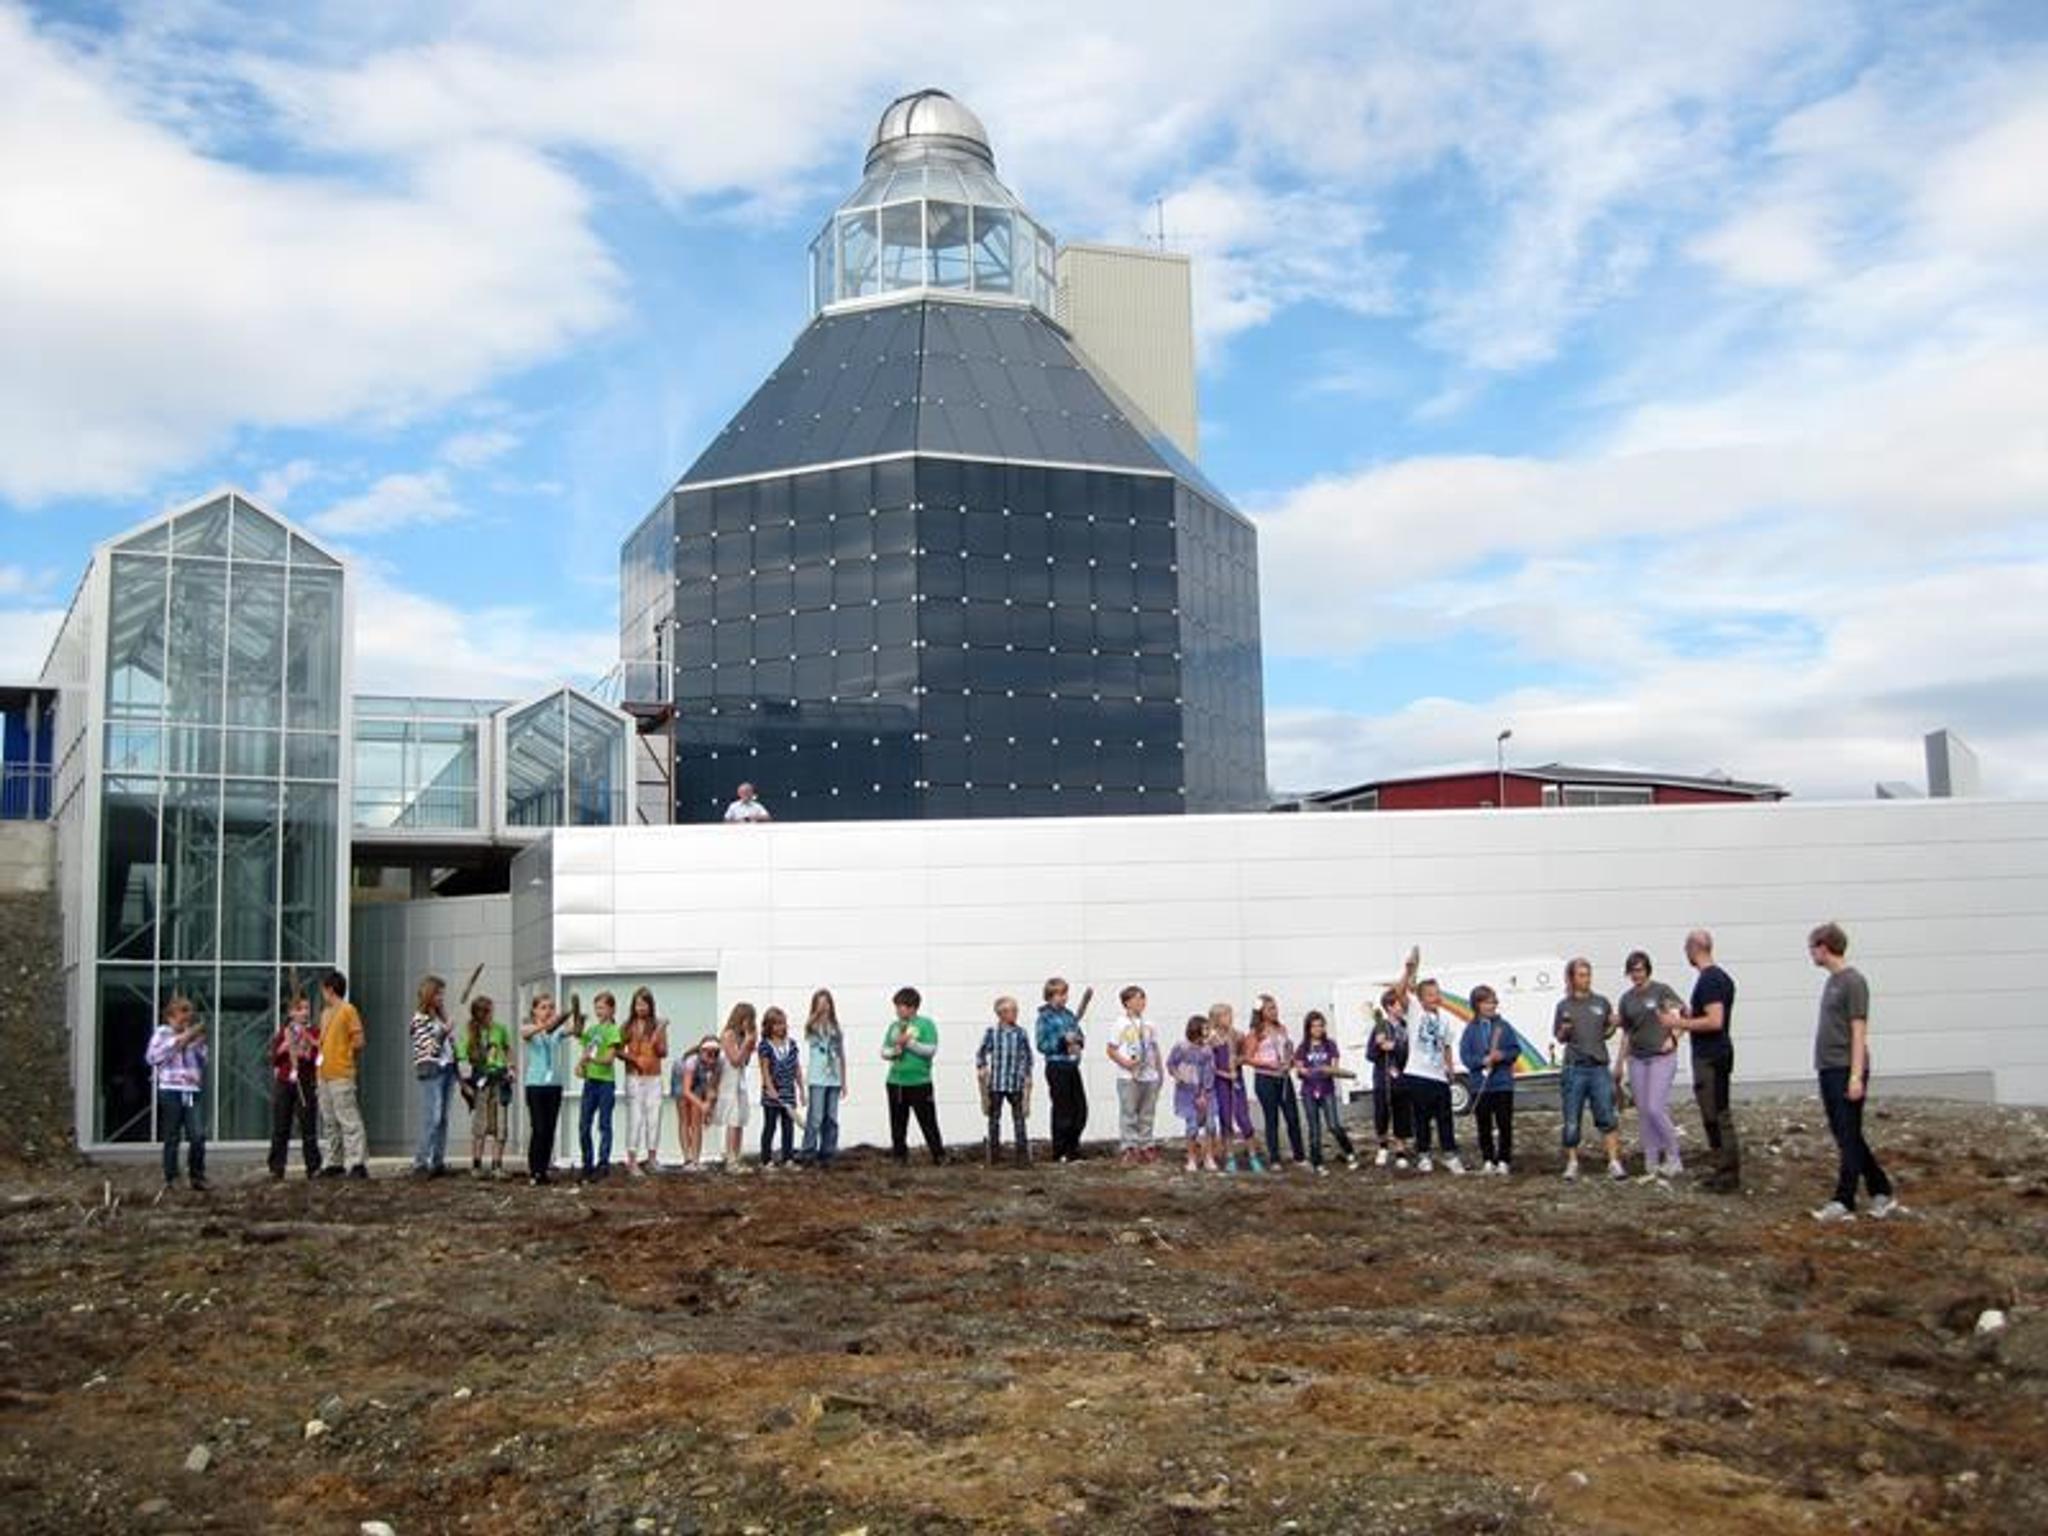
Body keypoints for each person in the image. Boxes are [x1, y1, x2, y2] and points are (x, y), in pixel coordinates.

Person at [1808, 922, 1900, 1222]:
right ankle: (1880, 1188)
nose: (1811, 953)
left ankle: (1844, 1199)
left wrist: (1856, 1075)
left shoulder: (1853, 981)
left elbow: (1858, 1030)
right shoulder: (1832, 981)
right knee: (1846, 1134)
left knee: (1848, 1134)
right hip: (1828, 1067)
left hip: (1846, 1067)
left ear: (1824, 946)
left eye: (1813, 947)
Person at [1668, 930, 1741, 1193]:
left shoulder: (1710, 980)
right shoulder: (1722, 978)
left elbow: (1714, 1020)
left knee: (1716, 1114)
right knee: (1715, 1113)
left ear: (1692, 949)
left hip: (1711, 1055)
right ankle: (1721, 1167)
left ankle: (1727, 1173)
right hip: (1716, 1053)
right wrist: (1691, 1014)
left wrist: (1678, 1023)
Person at [1388, 953, 1465, 1175]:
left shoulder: (1444, 1020)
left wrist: (1450, 1068)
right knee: (1421, 1119)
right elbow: (1399, 992)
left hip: (1439, 1076)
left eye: (1437, 993)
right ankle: (1424, 1155)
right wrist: (1408, 971)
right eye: (1430, 994)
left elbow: (1447, 1046)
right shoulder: (1415, 1011)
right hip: (1418, 1074)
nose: (1435, 997)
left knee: (1445, 1119)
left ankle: (1450, 1154)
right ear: (1421, 998)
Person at [1553, 957, 1626, 1183]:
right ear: (1571, 978)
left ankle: (1614, 1162)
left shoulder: (1601, 1002)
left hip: (1598, 1068)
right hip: (1574, 1067)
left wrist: (1614, 1024)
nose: (1586, 979)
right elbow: (1559, 1037)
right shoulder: (1564, 1006)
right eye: (1581, 975)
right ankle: (1572, 1162)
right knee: (1572, 1117)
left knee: (1607, 1114)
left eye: (1588, 974)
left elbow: (1605, 1034)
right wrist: (1564, 1030)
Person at [1617, 951, 1686, 1180]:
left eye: (1640, 969)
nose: (1637, 974)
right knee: (1644, 1111)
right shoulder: (1627, 999)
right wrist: (1620, 1062)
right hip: (1637, 1057)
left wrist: (1673, 1038)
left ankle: (1674, 1155)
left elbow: (1681, 1015)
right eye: (1633, 970)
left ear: (1647, 969)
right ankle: (1651, 1159)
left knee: (1656, 1107)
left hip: (1661, 1056)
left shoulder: (1661, 991)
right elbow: (1627, 1032)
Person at [1458, 986, 1525, 1177]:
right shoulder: (1470, 1030)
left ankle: (1504, 1160)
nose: (1491, 1005)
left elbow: (1515, 1050)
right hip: (1481, 1084)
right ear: (1477, 1005)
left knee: (1504, 1123)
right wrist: (1482, 1061)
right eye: (1487, 1002)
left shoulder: (1504, 1027)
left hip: (1502, 1083)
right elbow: (1465, 1056)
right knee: (1484, 1124)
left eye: (1493, 1001)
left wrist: (1501, 1055)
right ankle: (1488, 1159)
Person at [146, 994, 208, 1192]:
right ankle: (171, 1176)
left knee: (197, 1134)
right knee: (172, 1135)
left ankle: (197, 1175)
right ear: (171, 1016)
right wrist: (178, 1040)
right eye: (182, 1017)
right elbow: (152, 1057)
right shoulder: (162, 1033)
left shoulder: (194, 1035)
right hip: (171, 1090)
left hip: (189, 1091)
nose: (186, 1022)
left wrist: (197, 1046)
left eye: (188, 1018)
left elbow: (202, 1062)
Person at [882, 986, 945, 1165]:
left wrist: (909, 1043)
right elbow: (884, 1051)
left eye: (900, 1006)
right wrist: (895, 1050)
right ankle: (900, 1156)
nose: (897, 1010)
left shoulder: (925, 1024)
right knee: (898, 1122)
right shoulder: (894, 1027)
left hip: (920, 1082)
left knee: (928, 1121)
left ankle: (938, 1154)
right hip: (896, 1081)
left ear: (911, 1007)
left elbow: (930, 1050)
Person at [316, 971, 369, 1179]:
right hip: (324, 1073)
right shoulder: (325, 1013)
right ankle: (333, 1161)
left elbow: (358, 1040)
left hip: (341, 1072)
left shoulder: (348, 1010)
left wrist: (348, 1057)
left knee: (347, 1117)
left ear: (329, 989)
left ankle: (357, 1161)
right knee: (329, 1120)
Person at [1245, 994, 1306, 1171]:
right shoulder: (1256, 1033)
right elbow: (1248, 1058)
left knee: (1293, 1117)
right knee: (1272, 1119)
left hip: (1283, 1077)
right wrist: (1267, 1063)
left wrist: (1291, 1061)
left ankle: (1299, 1156)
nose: (1275, 1011)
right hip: (1265, 1078)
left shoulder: (1282, 1029)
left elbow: (1287, 1050)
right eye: (1270, 1008)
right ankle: (1274, 1159)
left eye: (1275, 1007)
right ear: (1261, 1012)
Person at [266, 988, 321, 1181]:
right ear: (291, 1012)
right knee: (281, 1125)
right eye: (300, 1009)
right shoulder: (284, 1032)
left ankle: (313, 1166)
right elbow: (273, 1057)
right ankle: (276, 1167)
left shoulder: (313, 1032)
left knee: (308, 1125)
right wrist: (285, 1047)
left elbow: (317, 1057)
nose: (304, 1012)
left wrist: (305, 1051)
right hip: (284, 1081)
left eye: (307, 1008)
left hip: (305, 1081)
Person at [1034, 978, 1089, 1163]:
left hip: (1072, 1065)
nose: (1063, 997)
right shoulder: (1045, 1018)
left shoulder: (1069, 1016)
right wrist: (1061, 1041)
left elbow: (1080, 1035)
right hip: (1057, 1067)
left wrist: (1077, 1042)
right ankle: (1060, 1151)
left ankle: (1074, 1147)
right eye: (1059, 994)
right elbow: (1041, 1045)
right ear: (1050, 996)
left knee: (1080, 1110)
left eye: (1065, 993)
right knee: (1062, 1110)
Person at [1296, 1010, 1357, 1174]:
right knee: (1314, 1129)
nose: (1317, 1029)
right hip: (1309, 1092)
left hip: (1327, 1090)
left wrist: (1327, 1069)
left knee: (1334, 1125)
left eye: (1320, 1026)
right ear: (1308, 1028)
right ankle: (1317, 1162)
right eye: (1314, 1026)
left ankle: (1350, 1152)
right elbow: (1299, 1067)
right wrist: (1304, 1071)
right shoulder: (1303, 1047)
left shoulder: (1330, 1045)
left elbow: (1334, 1067)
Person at [976, 995, 1034, 1167]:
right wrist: (982, 1067)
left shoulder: (1021, 1033)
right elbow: (981, 1052)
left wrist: (1027, 1075)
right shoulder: (992, 1033)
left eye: (1016, 1010)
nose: (1014, 1014)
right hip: (997, 1083)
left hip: (1015, 1083)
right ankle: (994, 1155)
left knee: (1019, 1118)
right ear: (1000, 1014)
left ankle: (1022, 1155)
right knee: (994, 1119)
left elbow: (1027, 1056)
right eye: (1010, 1011)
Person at [1108, 985, 1164, 1164]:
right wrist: (1125, 1063)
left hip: (1149, 1074)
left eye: (1143, 998)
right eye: (1137, 999)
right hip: (1128, 1076)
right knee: (1129, 1112)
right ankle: (1129, 1146)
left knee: (1147, 1112)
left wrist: (1159, 1070)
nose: (1142, 1002)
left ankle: (1146, 1144)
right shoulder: (1120, 1024)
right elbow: (1111, 1049)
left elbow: (1155, 1048)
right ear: (1127, 1002)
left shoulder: (1149, 1024)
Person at [408, 974, 456, 1178]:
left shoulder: (439, 1017)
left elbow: (449, 1046)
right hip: (431, 1069)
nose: (441, 998)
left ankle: (437, 1160)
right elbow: (429, 1049)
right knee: (432, 1116)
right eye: (438, 994)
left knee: (443, 1117)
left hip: (447, 1068)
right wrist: (443, 1033)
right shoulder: (419, 1020)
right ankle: (421, 1161)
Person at [462, 995, 514, 1178]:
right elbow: (462, 1057)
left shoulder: (500, 1029)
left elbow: (507, 1049)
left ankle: (497, 1165)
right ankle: (476, 1165)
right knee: (480, 1124)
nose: (492, 1014)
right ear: (481, 1014)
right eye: (489, 1011)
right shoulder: (470, 1033)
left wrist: (511, 1068)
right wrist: (465, 1084)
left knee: (501, 1123)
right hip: (481, 1081)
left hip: (500, 1079)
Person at [620, 987, 669, 1176]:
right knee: (635, 1118)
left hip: (654, 1077)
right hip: (634, 1077)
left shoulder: (657, 1024)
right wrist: (633, 1059)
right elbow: (616, 1050)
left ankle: (652, 1158)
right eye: (638, 1004)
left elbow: (664, 1052)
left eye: (644, 1004)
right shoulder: (627, 1026)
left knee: (654, 1118)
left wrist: (656, 1039)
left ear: (650, 1005)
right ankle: (632, 1161)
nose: (641, 1007)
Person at [575, 990, 624, 1181]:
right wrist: (581, 1064)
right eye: (597, 1007)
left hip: (605, 1083)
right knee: (584, 1125)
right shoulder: (593, 1030)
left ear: (612, 1009)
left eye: (602, 1007)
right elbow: (584, 1044)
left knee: (604, 1124)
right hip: (590, 1082)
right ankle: (587, 1162)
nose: (599, 1011)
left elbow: (609, 1058)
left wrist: (591, 1059)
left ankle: (603, 1163)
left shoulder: (613, 1030)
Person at [1209, 1003, 1261, 1174]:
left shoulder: (1238, 1035)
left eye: (1230, 1015)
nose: (1229, 1018)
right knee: (1226, 1119)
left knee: (1243, 1117)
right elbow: (1210, 1066)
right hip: (1221, 1083)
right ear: (1216, 1018)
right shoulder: (1212, 1039)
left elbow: (1245, 1055)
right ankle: (1229, 1156)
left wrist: (1238, 1060)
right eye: (1225, 1015)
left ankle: (1253, 1155)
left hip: (1237, 1082)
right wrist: (1224, 1074)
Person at [521, 992, 568, 1185]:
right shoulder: (531, 1027)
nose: (548, 1010)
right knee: (538, 1128)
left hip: (554, 1084)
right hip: (535, 1085)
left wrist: (574, 1018)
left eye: (550, 1007)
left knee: (550, 1129)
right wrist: (544, 1025)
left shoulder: (557, 1030)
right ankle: (535, 1170)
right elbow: (525, 1033)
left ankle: (544, 1169)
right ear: (534, 1010)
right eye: (543, 1007)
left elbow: (573, 1030)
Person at [1367, 989, 1413, 1169]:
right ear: (1388, 1007)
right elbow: (1370, 1055)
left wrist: (1395, 1047)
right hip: (1382, 1080)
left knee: (1402, 1115)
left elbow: (1409, 1053)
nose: (1402, 1007)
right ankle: (1383, 1147)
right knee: (1382, 1115)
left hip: (1402, 1079)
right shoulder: (1379, 1027)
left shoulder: (1405, 1027)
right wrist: (1379, 1046)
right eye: (1398, 1004)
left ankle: (1401, 1151)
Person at [801, 989, 847, 1168]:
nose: (824, 1006)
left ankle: (828, 1151)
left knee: (831, 1117)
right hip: (818, 1078)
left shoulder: (836, 1028)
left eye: (826, 1002)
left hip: (834, 1079)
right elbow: (807, 1026)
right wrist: (817, 1013)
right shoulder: (813, 1027)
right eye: (820, 1003)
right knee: (816, 1116)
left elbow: (841, 1055)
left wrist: (844, 1081)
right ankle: (808, 1151)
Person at [1167, 1016, 1219, 1174]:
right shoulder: (1181, 1048)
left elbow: (1209, 1073)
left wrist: (1204, 1093)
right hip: (1187, 1093)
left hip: (1206, 1093)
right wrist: (1178, 1075)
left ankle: (1209, 1156)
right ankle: (1191, 1158)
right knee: (1192, 1127)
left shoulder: (1207, 1051)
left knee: (1210, 1125)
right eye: (1204, 1028)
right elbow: (1171, 1064)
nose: (1207, 1032)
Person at [712, 1002, 758, 1171]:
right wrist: (746, 1043)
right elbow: (735, 1060)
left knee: (739, 1119)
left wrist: (750, 1044)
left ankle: (737, 1156)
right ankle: (730, 1158)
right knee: (732, 1118)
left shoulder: (741, 1036)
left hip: (740, 1080)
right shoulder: (728, 1035)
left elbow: (744, 1061)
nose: (749, 1023)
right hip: (729, 1080)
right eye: (748, 1019)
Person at [757, 1006, 804, 1168]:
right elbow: (764, 1069)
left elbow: (797, 1068)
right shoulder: (765, 1045)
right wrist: (770, 1088)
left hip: (788, 1092)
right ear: (769, 1026)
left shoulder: (792, 1045)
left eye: (782, 1023)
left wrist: (801, 1089)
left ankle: (788, 1158)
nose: (780, 1027)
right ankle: (766, 1159)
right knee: (770, 1126)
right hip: (772, 1095)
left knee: (788, 1127)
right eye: (776, 1024)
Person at [676, 1035, 721, 1171]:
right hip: (681, 1081)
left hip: (699, 1084)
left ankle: (696, 1159)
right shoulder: (691, 1062)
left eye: (715, 1053)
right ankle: (687, 1159)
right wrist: (702, 1105)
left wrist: (708, 1110)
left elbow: (712, 1089)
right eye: (708, 1052)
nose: (712, 1055)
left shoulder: (717, 1064)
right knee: (685, 1120)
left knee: (697, 1122)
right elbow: (686, 1090)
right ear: (701, 1051)